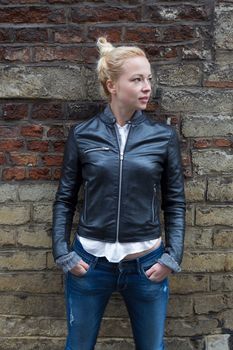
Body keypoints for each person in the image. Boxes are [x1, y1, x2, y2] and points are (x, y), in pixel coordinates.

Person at [52, 37, 186, 350]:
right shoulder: (83, 134)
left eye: (149, 79)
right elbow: (65, 198)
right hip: (88, 265)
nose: (147, 87)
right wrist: (62, 251)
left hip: (147, 266)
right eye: (137, 79)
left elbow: (176, 202)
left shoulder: (162, 137)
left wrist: (173, 256)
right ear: (112, 85)